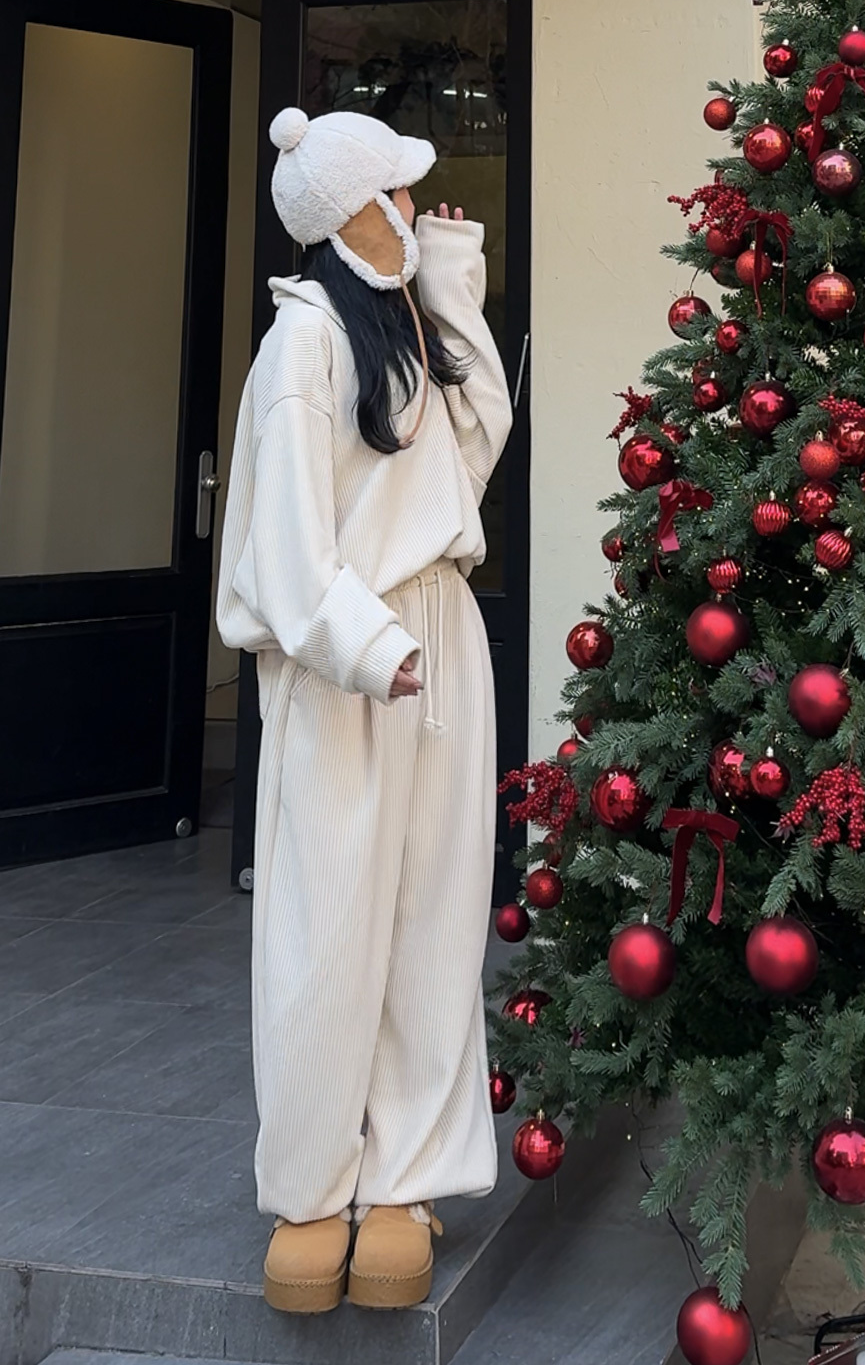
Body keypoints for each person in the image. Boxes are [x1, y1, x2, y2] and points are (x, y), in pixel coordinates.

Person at [217, 106, 513, 1315]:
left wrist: (450, 282)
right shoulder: (303, 343)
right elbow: (281, 542)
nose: (414, 207)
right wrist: (368, 644)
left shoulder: (400, 326)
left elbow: (479, 444)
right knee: (324, 925)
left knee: (435, 915)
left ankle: (406, 1179)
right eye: (400, 195)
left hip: (441, 639)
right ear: (354, 213)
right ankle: (310, 1189)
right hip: (350, 659)